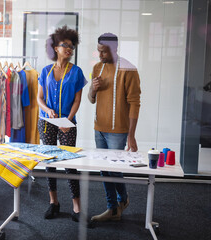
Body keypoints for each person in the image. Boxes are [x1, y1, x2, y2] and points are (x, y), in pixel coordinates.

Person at [88, 33, 141, 222]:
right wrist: (93, 89)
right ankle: (112, 208)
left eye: (103, 51)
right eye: (98, 51)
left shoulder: (129, 69)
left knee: (114, 169)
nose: (100, 55)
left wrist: (131, 135)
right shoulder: (97, 67)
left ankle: (122, 200)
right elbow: (91, 99)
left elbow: (135, 103)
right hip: (99, 129)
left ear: (114, 49)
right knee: (104, 169)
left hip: (118, 131)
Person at [37, 25, 87, 222]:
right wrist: (47, 109)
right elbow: (39, 98)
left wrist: (69, 120)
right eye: (65, 45)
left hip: (67, 122)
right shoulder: (46, 71)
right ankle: (54, 203)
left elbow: (77, 100)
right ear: (55, 48)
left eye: (72, 46)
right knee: (50, 162)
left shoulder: (76, 72)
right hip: (47, 122)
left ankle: (76, 207)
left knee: (69, 163)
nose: (69, 49)